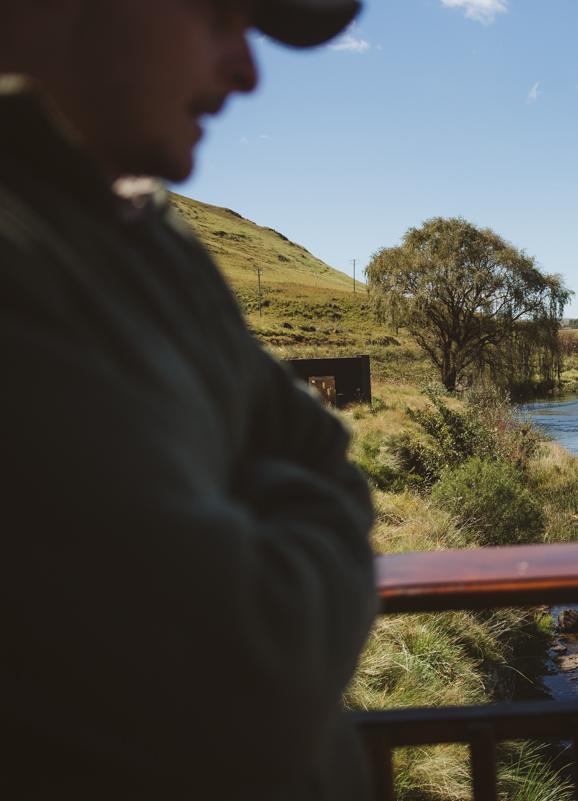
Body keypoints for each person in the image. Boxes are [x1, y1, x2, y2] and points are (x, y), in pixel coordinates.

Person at [0, 2, 380, 799]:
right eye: (219, 15)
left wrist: (249, 502)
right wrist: (284, 501)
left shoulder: (145, 231)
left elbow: (320, 444)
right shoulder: (25, 253)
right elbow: (258, 674)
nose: (248, 71)